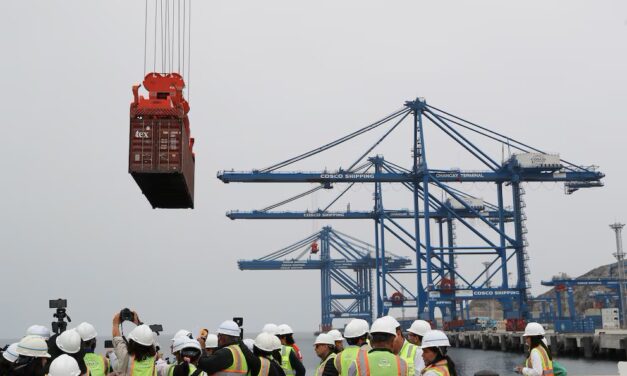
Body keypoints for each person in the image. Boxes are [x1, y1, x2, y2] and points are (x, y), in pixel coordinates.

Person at [111, 311, 157, 376]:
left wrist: (115, 323)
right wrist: (138, 323)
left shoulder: (126, 357)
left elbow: (117, 340)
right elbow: (147, 339)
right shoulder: (153, 356)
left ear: (132, 342)